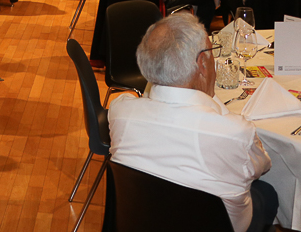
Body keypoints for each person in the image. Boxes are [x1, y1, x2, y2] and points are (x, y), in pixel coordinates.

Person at [109, 13, 277, 232]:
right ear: (202, 64)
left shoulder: (120, 112)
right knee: (267, 193)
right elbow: (262, 166)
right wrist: (212, 97)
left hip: (140, 221)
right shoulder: (236, 132)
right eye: (212, 53)